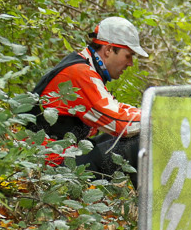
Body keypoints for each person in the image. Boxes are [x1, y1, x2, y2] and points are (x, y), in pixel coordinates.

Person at [30, 16, 147, 187]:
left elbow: (115, 112)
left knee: (125, 137)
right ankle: (149, 209)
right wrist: (157, 117)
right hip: (52, 164)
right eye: (128, 56)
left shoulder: (83, 66)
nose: (130, 63)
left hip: (59, 156)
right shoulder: (80, 73)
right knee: (140, 143)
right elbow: (120, 122)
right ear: (108, 50)